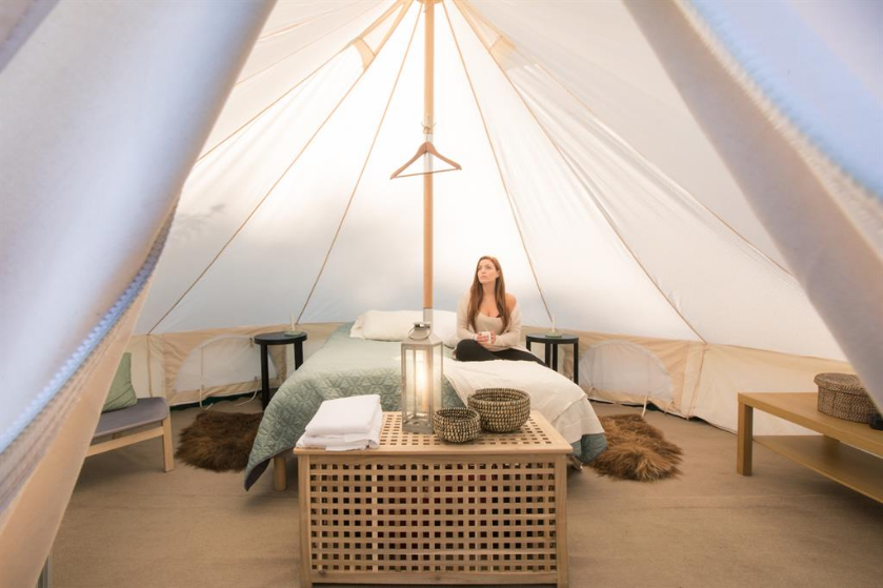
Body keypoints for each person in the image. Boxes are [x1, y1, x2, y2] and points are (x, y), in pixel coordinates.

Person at [455, 256, 544, 364]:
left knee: (539, 365)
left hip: (504, 349)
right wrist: (475, 337)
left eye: (488, 267)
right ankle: (503, 365)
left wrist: (495, 340)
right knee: (464, 347)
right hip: (477, 348)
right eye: (479, 268)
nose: (482, 271)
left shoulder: (510, 300)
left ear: (498, 273)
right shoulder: (468, 297)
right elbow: (461, 329)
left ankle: (500, 365)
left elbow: (515, 335)